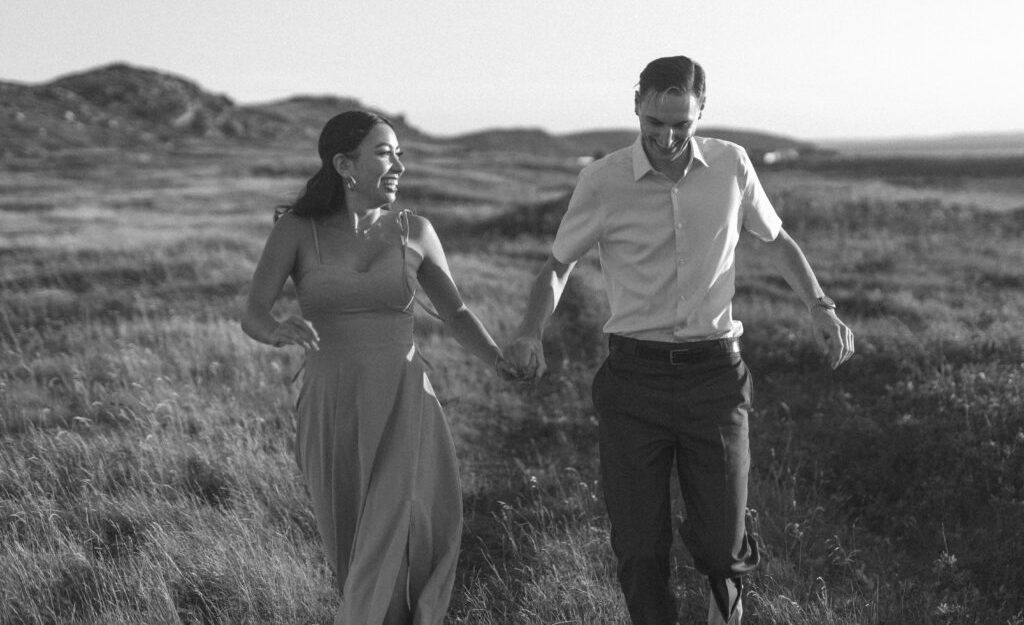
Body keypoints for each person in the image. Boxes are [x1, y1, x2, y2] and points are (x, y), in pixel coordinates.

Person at [505, 56, 854, 624]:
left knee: (721, 545)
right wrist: (529, 330)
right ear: (636, 104)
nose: (666, 138)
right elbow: (556, 265)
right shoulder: (602, 181)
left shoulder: (732, 165)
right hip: (632, 382)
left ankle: (727, 589)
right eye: (653, 123)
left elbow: (778, 237)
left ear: (701, 111)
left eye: (681, 125)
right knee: (641, 546)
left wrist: (820, 306)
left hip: (715, 377)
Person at [242, 110, 509, 624]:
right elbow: (253, 310)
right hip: (331, 405)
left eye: (399, 154)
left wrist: (498, 361)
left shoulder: (416, 230)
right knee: (354, 551)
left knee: (405, 534)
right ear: (345, 164)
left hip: (405, 401)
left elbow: (455, 311)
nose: (398, 166)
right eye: (385, 154)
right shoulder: (297, 231)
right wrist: (275, 330)